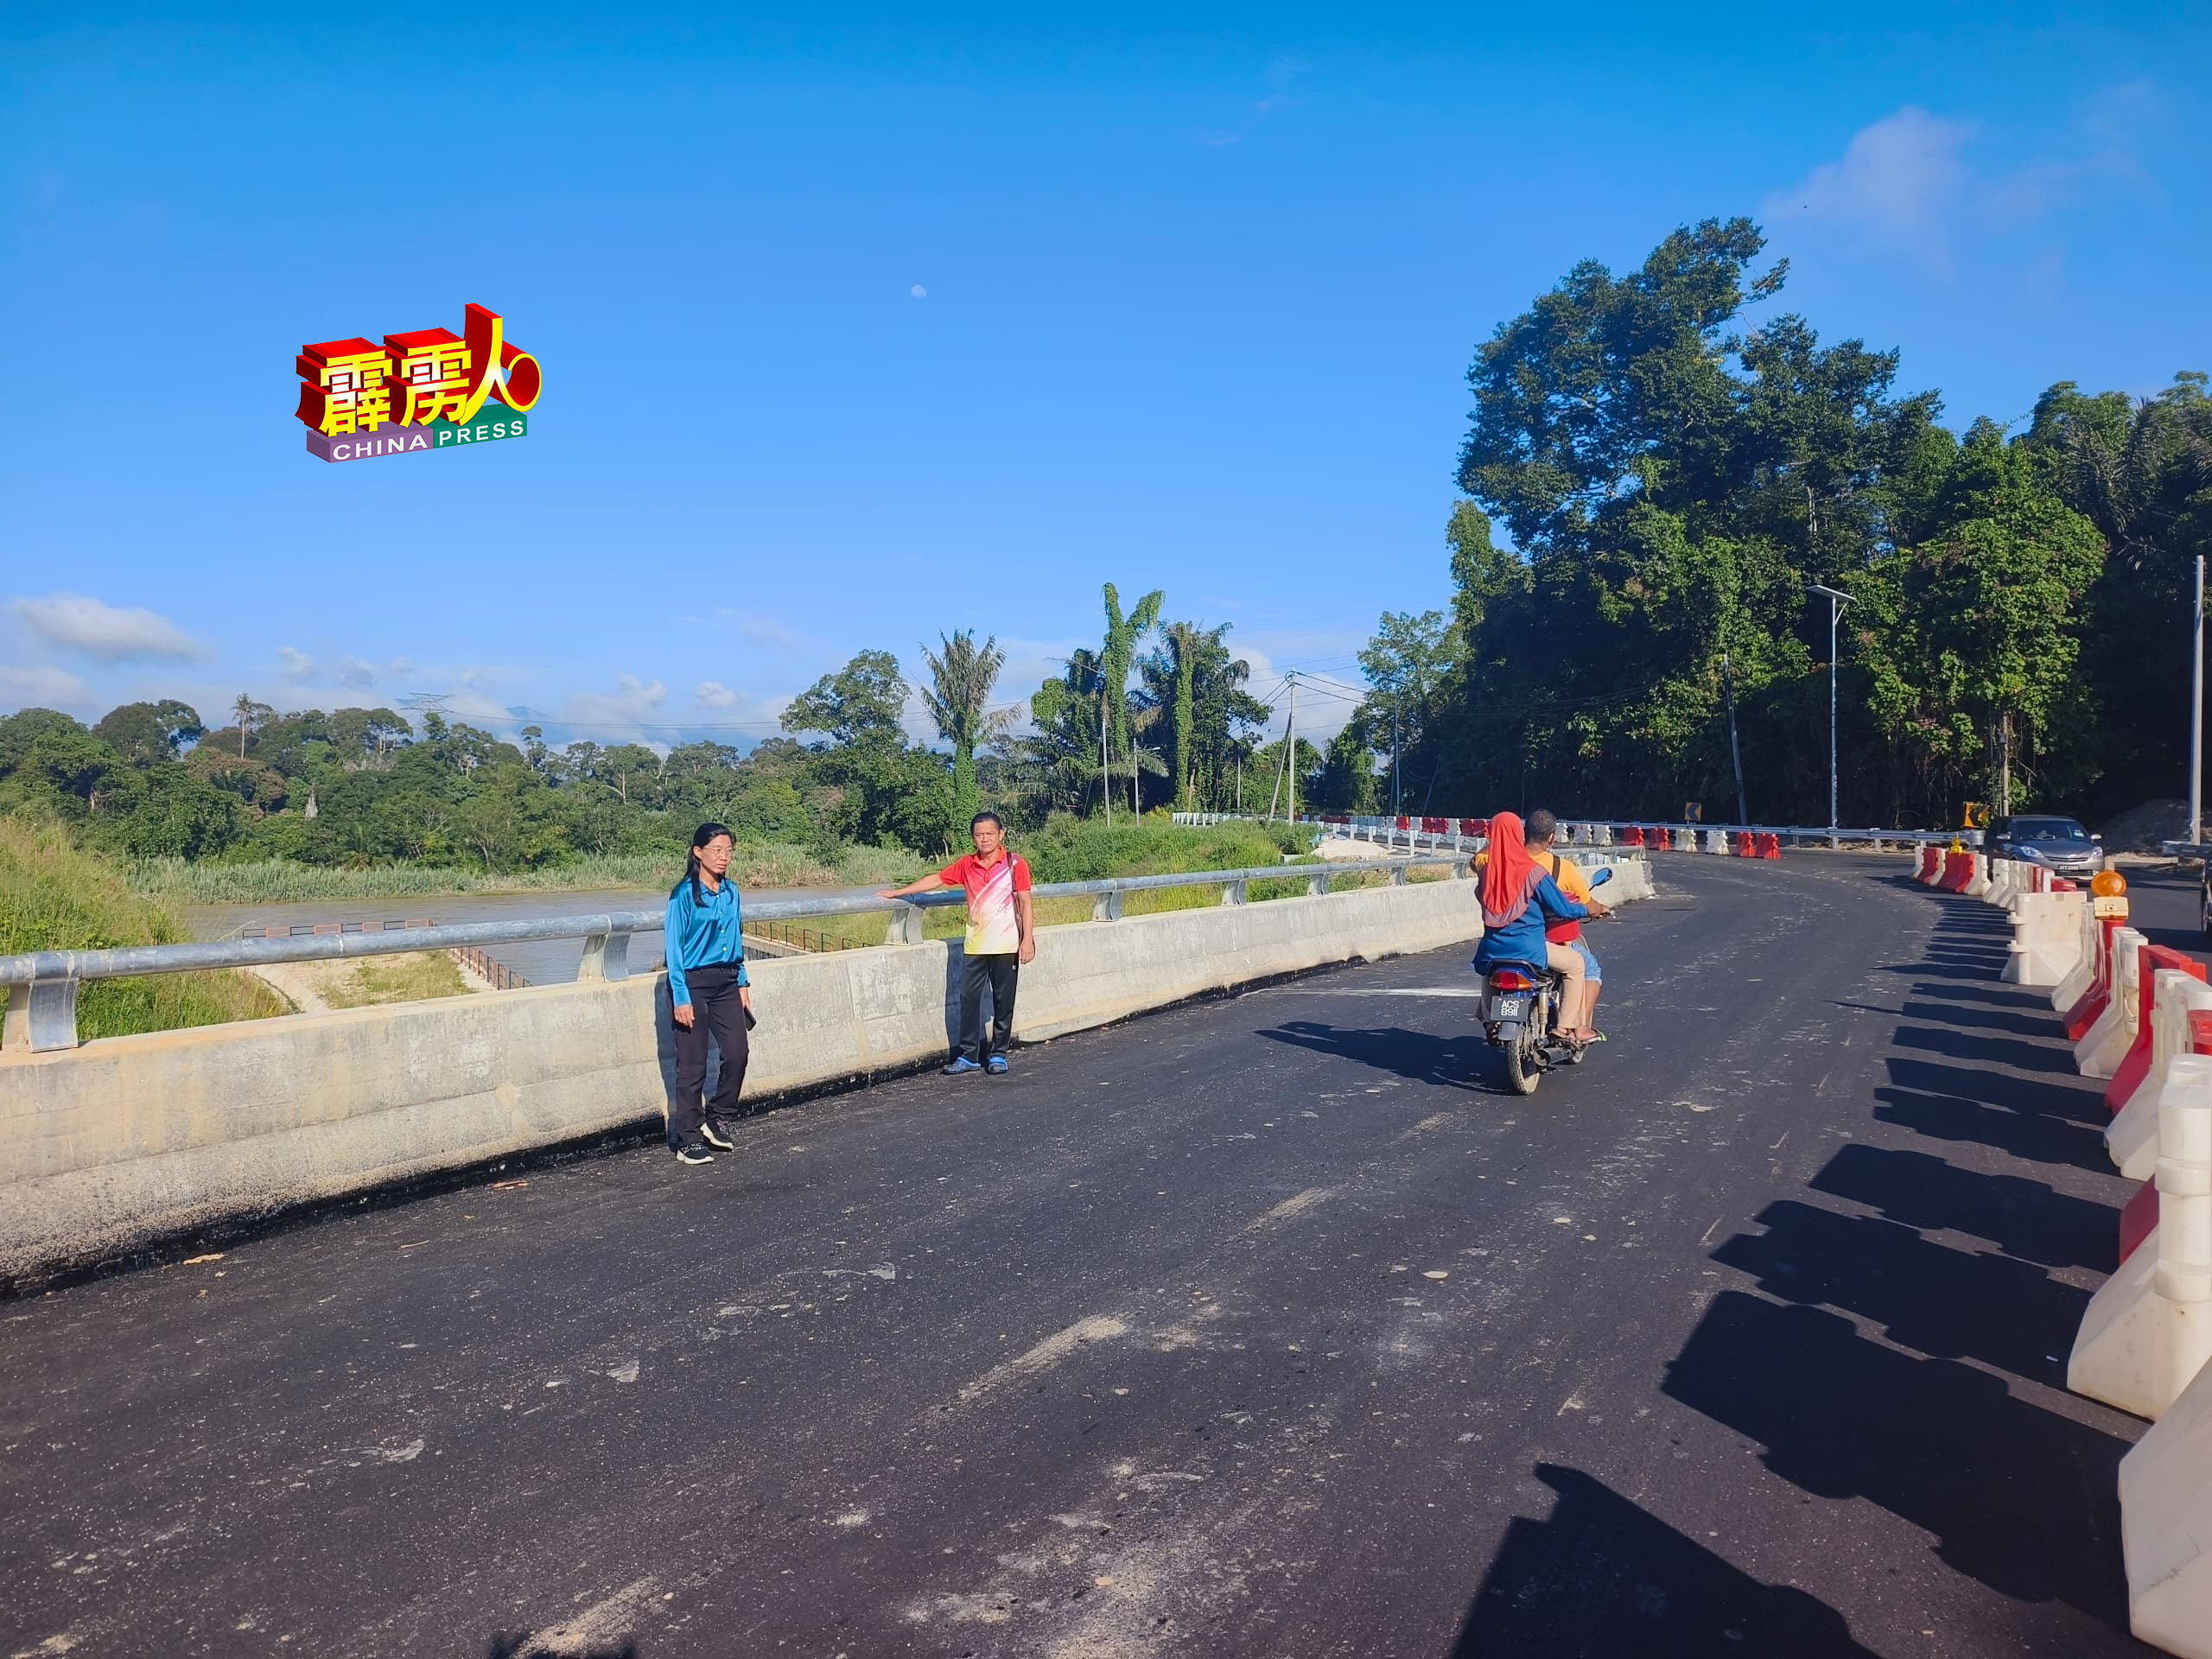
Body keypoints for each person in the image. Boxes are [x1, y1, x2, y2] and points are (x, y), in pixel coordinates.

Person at [879, 810, 1035, 1075]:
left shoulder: (1015, 863)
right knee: (969, 1000)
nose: (984, 839)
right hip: (975, 945)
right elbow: (936, 879)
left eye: (989, 834)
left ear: (1001, 834)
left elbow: (1026, 903)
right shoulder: (966, 864)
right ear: (973, 838)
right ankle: (969, 1056)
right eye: (979, 835)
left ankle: (998, 1054)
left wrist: (1027, 939)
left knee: (1002, 1001)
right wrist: (899, 892)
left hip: (1007, 945)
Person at [664, 822, 753, 1166]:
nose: (724, 857)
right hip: (692, 982)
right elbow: (674, 950)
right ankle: (687, 1138)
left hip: (727, 981)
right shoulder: (683, 895)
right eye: (717, 850)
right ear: (698, 852)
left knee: (737, 1053)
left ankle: (717, 1116)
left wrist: (742, 981)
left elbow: (737, 938)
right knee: (692, 1065)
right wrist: (681, 996)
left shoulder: (732, 892)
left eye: (729, 850)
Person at [1471, 810, 1597, 1044]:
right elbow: (1564, 909)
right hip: (1530, 948)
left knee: (1489, 972)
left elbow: (1481, 894)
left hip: (1492, 949)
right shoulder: (1534, 872)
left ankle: (1490, 1022)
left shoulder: (1487, 873)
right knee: (1576, 965)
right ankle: (1565, 1027)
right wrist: (1585, 910)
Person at [1526, 808, 1611, 1042]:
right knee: (1587, 967)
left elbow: (1478, 865)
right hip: (1546, 940)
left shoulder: (1505, 864)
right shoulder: (1555, 869)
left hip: (1506, 939)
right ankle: (1575, 1027)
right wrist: (1595, 909)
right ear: (1552, 837)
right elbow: (1580, 903)